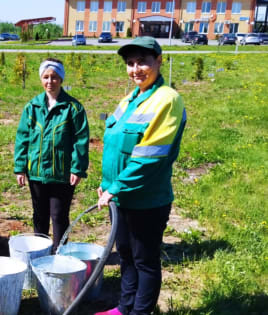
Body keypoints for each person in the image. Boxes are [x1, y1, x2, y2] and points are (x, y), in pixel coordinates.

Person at [95, 37, 187, 315]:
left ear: (159, 61)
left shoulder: (167, 100)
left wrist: (116, 187)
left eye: (143, 62)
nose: (136, 69)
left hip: (147, 200)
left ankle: (140, 312)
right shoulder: (129, 98)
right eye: (130, 63)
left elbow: (149, 157)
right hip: (120, 197)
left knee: (145, 260)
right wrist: (106, 185)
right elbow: (113, 145)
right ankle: (124, 308)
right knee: (125, 256)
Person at [14, 58, 89, 252]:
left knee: (59, 215)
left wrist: (77, 168)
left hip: (62, 174)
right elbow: (23, 138)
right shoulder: (32, 107)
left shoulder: (73, 108)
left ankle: (59, 254)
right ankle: (40, 254)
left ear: (61, 79)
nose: (50, 81)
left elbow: (81, 139)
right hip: (36, 172)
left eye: (54, 77)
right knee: (39, 215)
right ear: (41, 79)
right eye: (46, 77)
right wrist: (20, 167)